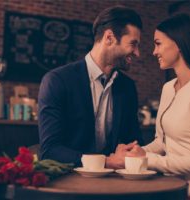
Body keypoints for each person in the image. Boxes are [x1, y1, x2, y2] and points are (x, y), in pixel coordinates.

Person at [38, 5, 143, 168]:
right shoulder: (57, 81)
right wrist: (106, 162)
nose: (137, 53)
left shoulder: (127, 87)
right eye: (133, 44)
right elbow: (50, 150)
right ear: (109, 38)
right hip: (69, 181)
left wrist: (131, 150)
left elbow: (135, 141)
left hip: (113, 183)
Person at [114, 13, 190, 199]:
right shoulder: (168, 88)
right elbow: (162, 141)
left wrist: (150, 160)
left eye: (158, 43)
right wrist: (134, 152)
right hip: (170, 187)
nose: (154, 52)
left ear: (179, 43)